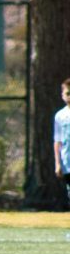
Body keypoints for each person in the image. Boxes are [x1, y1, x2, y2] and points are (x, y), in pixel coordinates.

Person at [55, 78, 70, 207]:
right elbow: (58, 140)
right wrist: (58, 163)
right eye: (68, 93)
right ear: (63, 95)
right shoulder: (60, 116)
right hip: (67, 162)